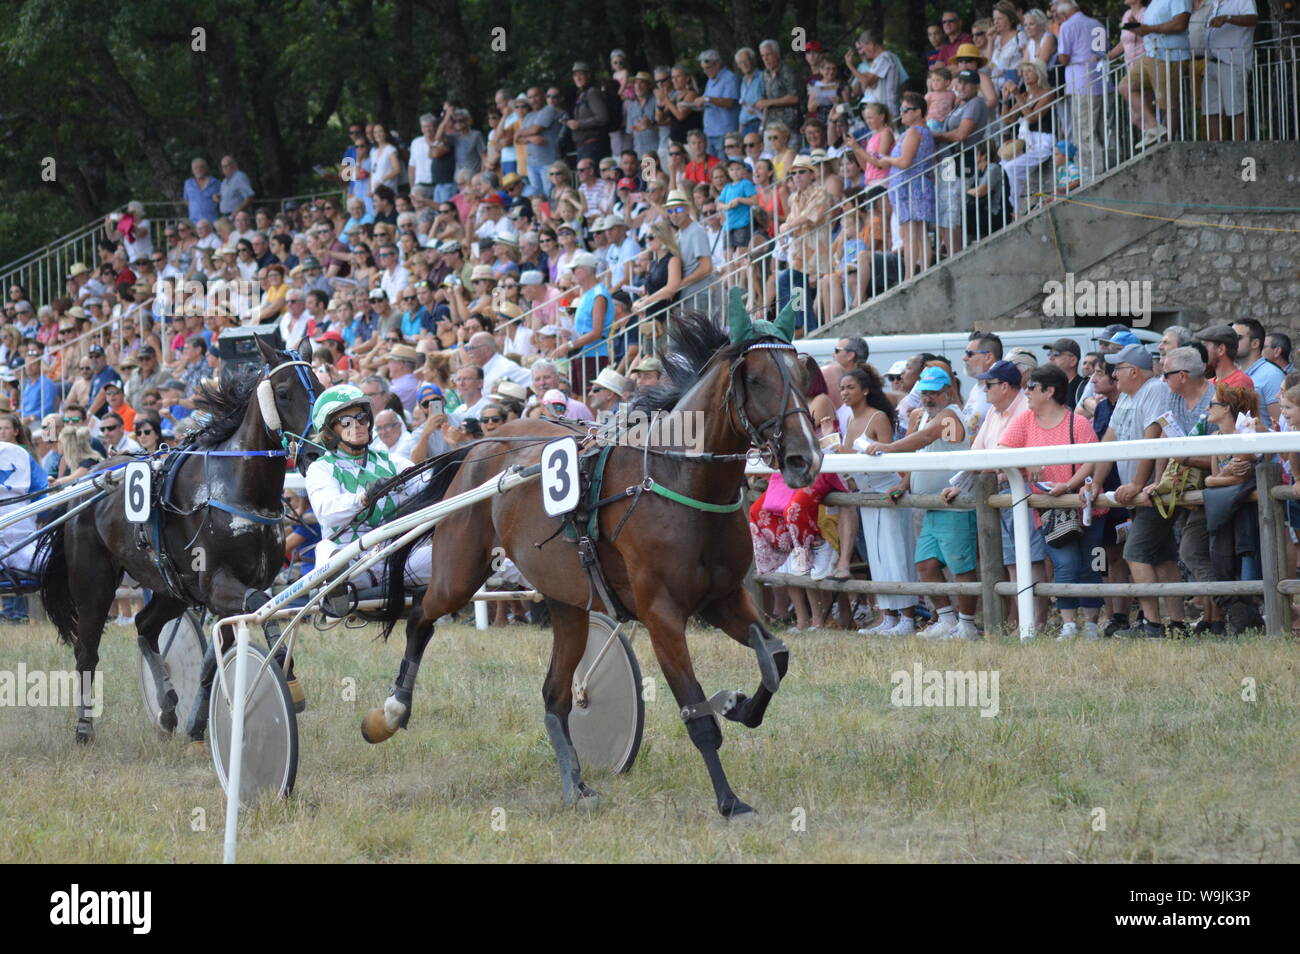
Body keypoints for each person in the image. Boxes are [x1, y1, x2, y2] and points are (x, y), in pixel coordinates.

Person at [867, 366, 980, 640]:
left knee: (961, 566)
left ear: (948, 392)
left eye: (933, 393)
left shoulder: (950, 416)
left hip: (954, 504)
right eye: (924, 393)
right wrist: (905, 484)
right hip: (932, 504)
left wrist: (889, 447)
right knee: (926, 565)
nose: (927, 398)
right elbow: (923, 452)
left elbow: (925, 439)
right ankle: (946, 619)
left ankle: (966, 625)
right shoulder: (929, 417)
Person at [998, 364, 1104, 638]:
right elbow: (1003, 451)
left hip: (1083, 506)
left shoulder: (1077, 423)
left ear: (1049, 391)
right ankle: (1069, 623)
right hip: (1049, 509)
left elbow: (1090, 460)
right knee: (1065, 564)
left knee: (1092, 564)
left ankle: (1091, 623)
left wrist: (1068, 485)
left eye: (1031, 387)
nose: (1027, 392)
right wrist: (1027, 463)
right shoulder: (1025, 420)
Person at [304, 385, 431, 584]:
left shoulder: (393, 462)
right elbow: (327, 513)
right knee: (325, 548)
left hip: (396, 559)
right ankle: (337, 590)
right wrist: (364, 498)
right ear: (329, 431)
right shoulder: (321, 468)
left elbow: (427, 487)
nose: (356, 425)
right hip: (352, 563)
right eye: (346, 421)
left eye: (361, 418)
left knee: (443, 553)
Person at [840, 366, 918, 636]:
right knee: (877, 556)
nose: (845, 393)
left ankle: (907, 617)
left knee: (896, 553)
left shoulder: (878, 418)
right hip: (865, 494)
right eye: (842, 389)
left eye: (850, 387)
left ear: (864, 390)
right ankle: (888, 616)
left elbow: (892, 457)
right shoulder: (850, 421)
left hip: (887, 491)